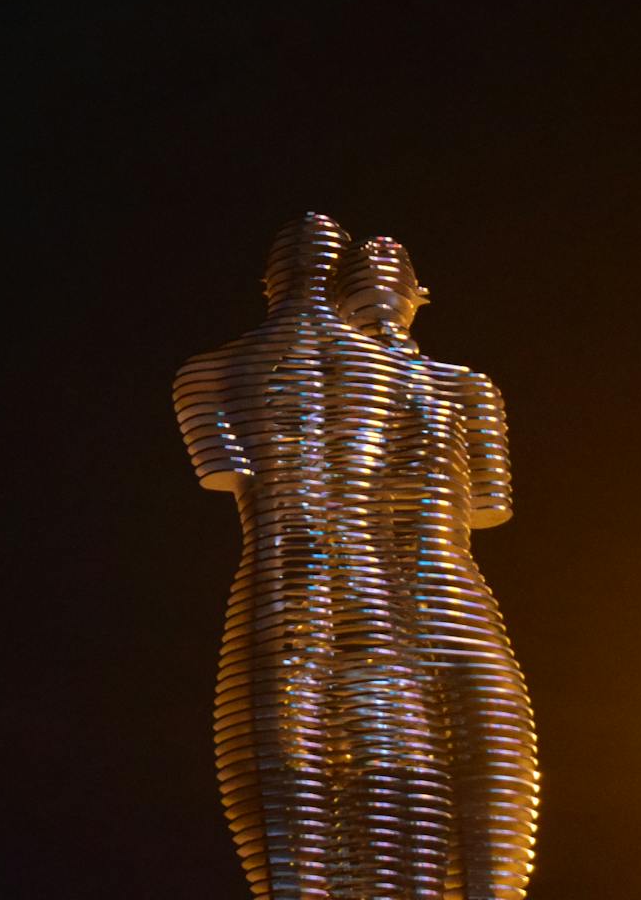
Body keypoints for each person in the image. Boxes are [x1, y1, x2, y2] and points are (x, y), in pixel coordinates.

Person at [175, 212, 444, 897]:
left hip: (282, 571)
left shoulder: (207, 372)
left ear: (269, 279)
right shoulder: (403, 374)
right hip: (377, 585)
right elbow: (421, 483)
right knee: (396, 784)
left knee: (284, 774)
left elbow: (225, 470)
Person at [334, 237, 539, 897]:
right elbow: (487, 501)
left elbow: (493, 505)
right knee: (459, 772)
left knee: (433, 777)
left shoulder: (326, 391)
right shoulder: (463, 387)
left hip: (380, 597)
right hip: (432, 589)